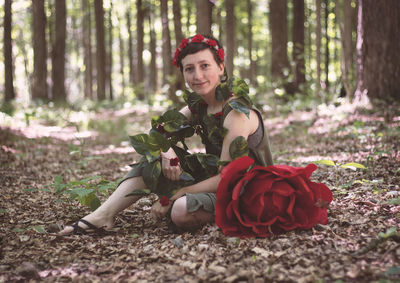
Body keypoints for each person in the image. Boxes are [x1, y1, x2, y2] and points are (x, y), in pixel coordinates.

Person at [59, 34, 273, 235]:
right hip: (217, 182)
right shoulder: (199, 105)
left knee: (180, 210)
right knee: (153, 159)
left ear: (221, 67)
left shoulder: (236, 112)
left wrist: (178, 194)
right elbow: (157, 132)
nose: (197, 76)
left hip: (245, 191)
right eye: (189, 69)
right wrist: (167, 152)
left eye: (205, 66)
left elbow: (228, 177)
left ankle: (201, 209)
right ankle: (102, 215)